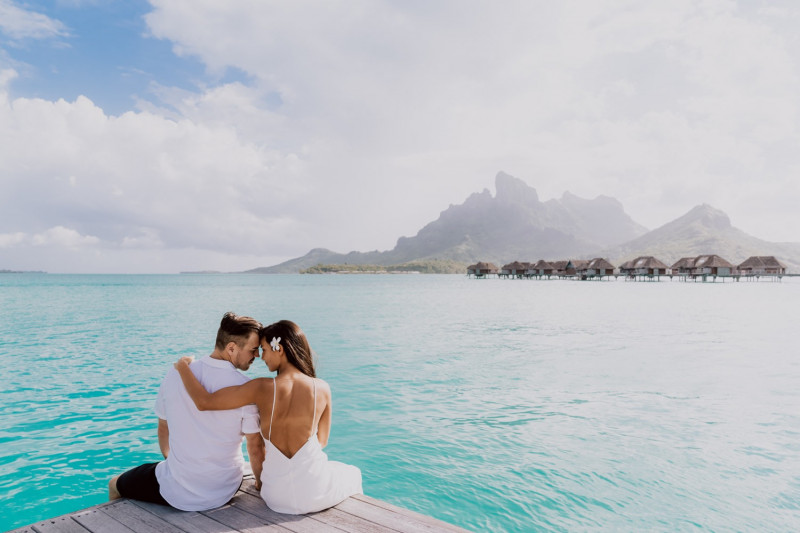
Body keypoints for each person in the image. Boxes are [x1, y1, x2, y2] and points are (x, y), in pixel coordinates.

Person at [174, 319, 362, 515]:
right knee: (353, 473)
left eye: (263, 350)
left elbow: (204, 402)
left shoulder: (260, 388)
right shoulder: (322, 388)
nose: (261, 357)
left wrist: (183, 368)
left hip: (275, 496)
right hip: (315, 492)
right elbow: (322, 441)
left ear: (279, 348)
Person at [108, 312, 266, 511]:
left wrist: (174, 462)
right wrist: (260, 483)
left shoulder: (176, 373)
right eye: (253, 349)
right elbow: (255, 446)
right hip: (225, 487)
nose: (257, 356)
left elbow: (163, 427)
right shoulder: (246, 388)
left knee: (114, 484)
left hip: (178, 489)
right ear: (231, 348)